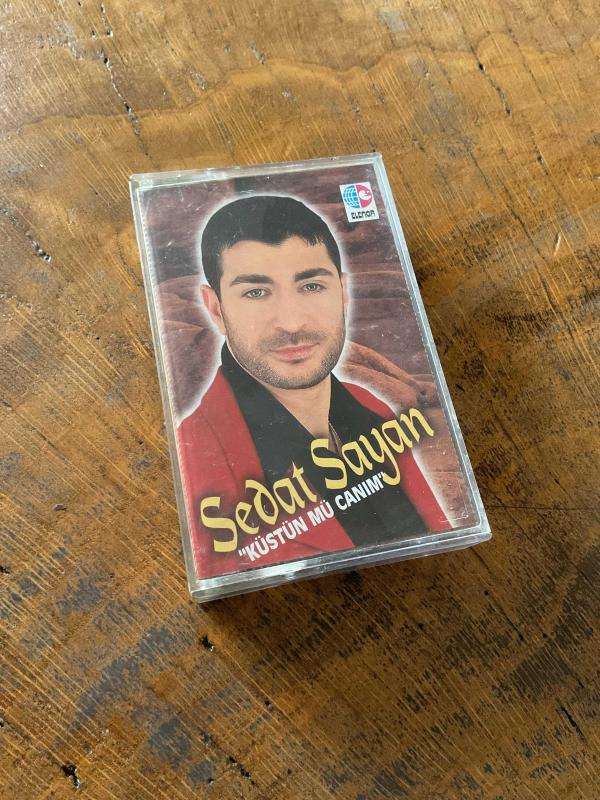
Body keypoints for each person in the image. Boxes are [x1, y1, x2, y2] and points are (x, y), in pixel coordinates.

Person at [176, 195, 449, 579]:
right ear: (216, 309)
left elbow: (434, 540)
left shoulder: (370, 407)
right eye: (255, 292)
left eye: (311, 285)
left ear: (343, 292)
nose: (291, 323)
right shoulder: (198, 454)